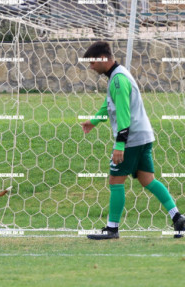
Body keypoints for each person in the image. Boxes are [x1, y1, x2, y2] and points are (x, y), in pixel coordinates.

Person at [81, 41, 185, 240]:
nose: (91, 67)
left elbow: (123, 114)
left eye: (93, 62)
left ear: (103, 59)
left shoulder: (119, 79)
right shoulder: (118, 75)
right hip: (144, 135)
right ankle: (178, 218)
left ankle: (112, 229)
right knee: (148, 180)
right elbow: (109, 103)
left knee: (115, 180)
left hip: (132, 139)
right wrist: (94, 120)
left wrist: (120, 145)